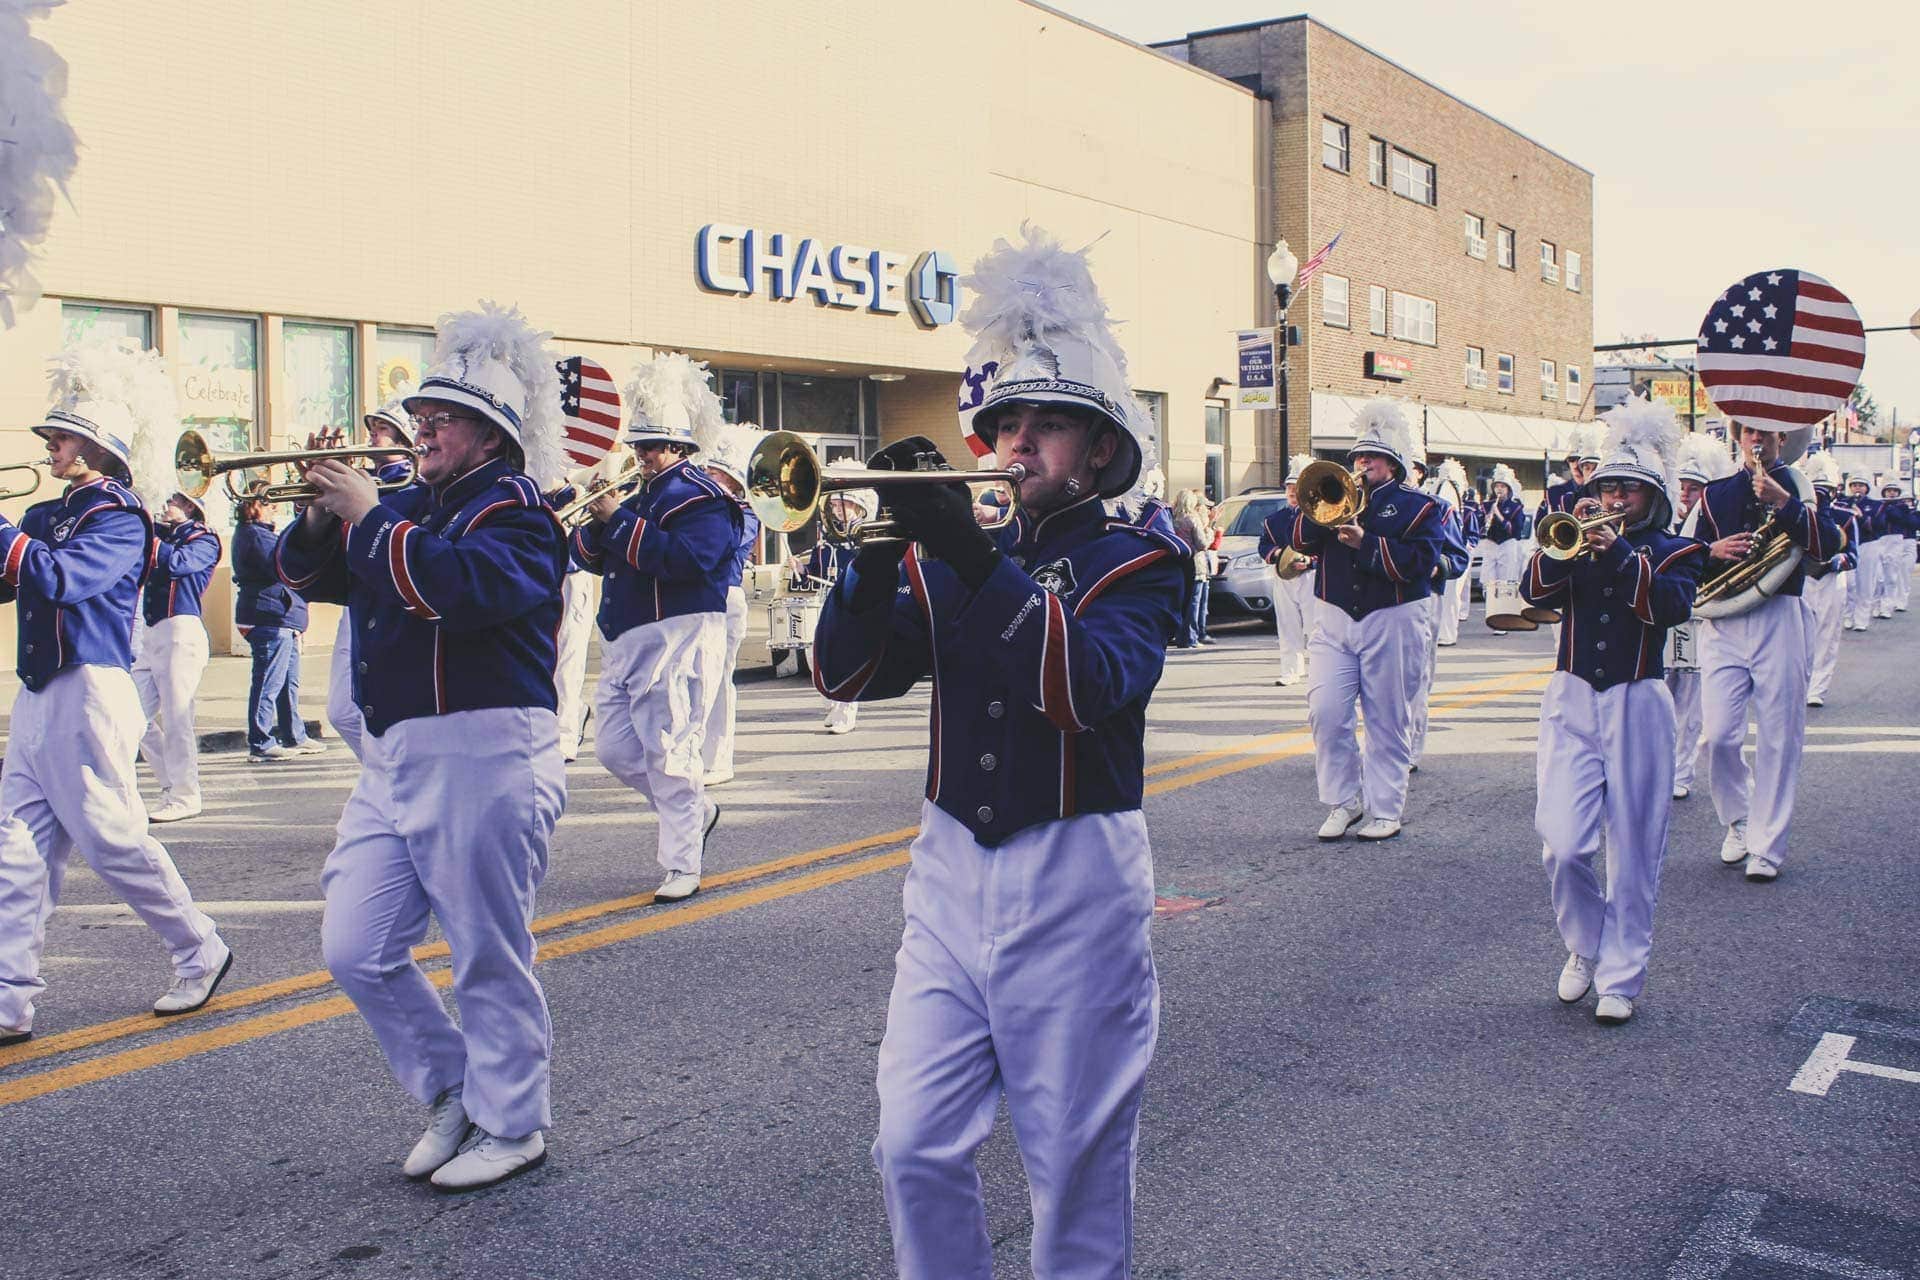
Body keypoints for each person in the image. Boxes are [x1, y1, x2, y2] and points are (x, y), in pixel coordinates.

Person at [812, 225, 1183, 1279]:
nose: (1015, 444)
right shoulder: (963, 554)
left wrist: (967, 550)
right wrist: (874, 558)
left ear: (1101, 449)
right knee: (912, 1142)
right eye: (1003, 421)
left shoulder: (1137, 563)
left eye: (1046, 427)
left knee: (1074, 1166)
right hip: (947, 872)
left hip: (1077, 876)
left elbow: (1082, 689)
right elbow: (849, 678)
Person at [275, 302, 571, 1191]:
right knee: (354, 945)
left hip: (488, 748)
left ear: (488, 435)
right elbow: (303, 573)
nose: (420, 430)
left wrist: (368, 520)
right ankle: (453, 1088)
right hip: (395, 751)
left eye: (439, 419)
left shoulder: (519, 511)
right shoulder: (407, 504)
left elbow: (454, 587)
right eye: (421, 417)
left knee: (486, 947)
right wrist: (325, 515)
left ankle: (515, 1120)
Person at [0, 338, 232, 1046]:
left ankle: (200, 949)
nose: (50, 446)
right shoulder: (47, 515)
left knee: (113, 842)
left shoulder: (119, 516)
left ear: (98, 447)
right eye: (51, 437)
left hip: (93, 690)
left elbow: (63, 580)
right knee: (13, 850)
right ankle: (9, 999)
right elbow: (15, 577)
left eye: (62, 436)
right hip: (38, 694)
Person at [1521, 400, 1705, 1025]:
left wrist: (1622, 554)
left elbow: (1671, 609)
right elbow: (1532, 592)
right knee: (1563, 843)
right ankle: (1586, 944)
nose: (1616, 497)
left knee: (1634, 844)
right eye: (1607, 487)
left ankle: (1622, 976)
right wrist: (1567, 544)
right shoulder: (1571, 538)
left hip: (1638, 700)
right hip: (1571, 694)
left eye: (1628, 489)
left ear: (1653, 498)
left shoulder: (1676, 551)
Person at [572, 352, 739, 903]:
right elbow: (593, 558)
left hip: (679, 634)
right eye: (639, 445)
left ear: (683, 448)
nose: (643, 455)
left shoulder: (703, 497)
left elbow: (685, 561)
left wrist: (616, 519)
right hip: (626, 638)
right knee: (615, 751)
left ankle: (682, 862)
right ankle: (694, 809)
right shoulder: (637, 493)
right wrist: (594, 521)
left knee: (670, 750)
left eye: (655, 446)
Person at [1261, 400, 1444, 841]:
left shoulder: (1419, 507)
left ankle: (1386, 808)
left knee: (1387, 718)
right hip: (1334, 616)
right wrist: (1321, 512)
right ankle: (1344, 801)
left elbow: (1423, 562)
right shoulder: (1332, 495)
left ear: (1394, 464)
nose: (1362, 463)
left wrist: (1366, 542)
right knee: (1326, 712)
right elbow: (1298, 542)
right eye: (1359, 456)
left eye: (1373, 457)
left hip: (1394, 617)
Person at [1685, 418, 1841, 882]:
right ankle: (1739, 818)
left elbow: (1828, 544)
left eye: (1767, 434)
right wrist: (1711, 551)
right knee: (1718, 734)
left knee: (1779, 734)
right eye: (1750, 432)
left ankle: (1768, 847)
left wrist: (1784, 503)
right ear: (1738, 436)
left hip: (1781, 615)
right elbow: (1683, 551)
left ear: (1781, 440)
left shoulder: (1799, 484)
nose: (1758, 440)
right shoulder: (1714, 494)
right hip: (1726, 620)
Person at [326, 400, 420, 760]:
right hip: (356, 599)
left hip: (388, 603)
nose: (371, 436)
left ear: (401, 436)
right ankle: (387, 777)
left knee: (371, 709)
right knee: (341, 710)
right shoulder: (365, 478)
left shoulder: (413, 483)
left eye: (380, 429)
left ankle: (390, 781)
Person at [133, 488, 223, 821]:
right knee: (132, 717)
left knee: (177, 718)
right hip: (152, 632)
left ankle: (187, 795)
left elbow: (178, 563)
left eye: (174, 500)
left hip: (181, 631)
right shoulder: (161, 534)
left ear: (191, 507)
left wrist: (149, 536)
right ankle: (171, 785)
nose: (166, 505)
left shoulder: (205, 539)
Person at [231, 489, 324, 762]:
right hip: (269, 616)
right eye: (268, 505)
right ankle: (260, 741)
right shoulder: (255, 535)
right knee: (268, 684)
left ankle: (293, 735)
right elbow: (283, 566)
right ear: (254, 507)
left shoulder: (260, 533)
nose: (273, 509)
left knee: (287, 683)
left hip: (282, 616)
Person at [1667, 435, 1733, 798]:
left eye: (1694, 489)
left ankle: (1681, 773)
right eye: (1683, 487)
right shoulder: (1664, 518)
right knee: (1659, 696)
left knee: (1690, 702)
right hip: (1667, 616)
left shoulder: (1713, 523)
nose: (1686, 495)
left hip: (1699, 616)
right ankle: (1659, 768)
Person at [700, 422, 764, 784]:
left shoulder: (748, 513)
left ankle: (720, 758)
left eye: (717, 474)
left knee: (718, 678)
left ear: (736, 483)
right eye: (709, 471)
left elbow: (729, 546)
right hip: (696, 598)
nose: (709, 477)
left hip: (727, 597)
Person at [793, 469, 873, 736]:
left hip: (855, 600)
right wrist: (802, 571)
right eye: (835, 505)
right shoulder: (827, 537)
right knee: (819, 653)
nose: (837, 510)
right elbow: (816, 573)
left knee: (847, 656)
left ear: (857, 507)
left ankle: (846, 711)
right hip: (829, 600)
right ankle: (835, 704)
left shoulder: (866, 536)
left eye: (843, 504)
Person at [1408, 465, 1470, 771]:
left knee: (1417, 677)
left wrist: (1436, 567)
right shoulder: (1361, 506)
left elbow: (1458, 557)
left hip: (1421, 598)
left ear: (1418, 472)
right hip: (1374, 601)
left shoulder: (1439, 509)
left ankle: (1408, 749)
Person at [1800, 453, 1853, 709]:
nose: (1822, 495)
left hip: (1832, 579)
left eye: (1827, 490)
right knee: (1801, 635)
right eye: (1816, 490)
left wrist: (1840, 560)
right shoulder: (1802, 514)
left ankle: (1817, 688)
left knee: (1827, 635)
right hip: (1806, 579)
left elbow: (1854, 555)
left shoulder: (1845, 516)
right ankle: (1801, 683)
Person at [1268, 454, 1316, 686]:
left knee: (1314, 625)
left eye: (1296, 488)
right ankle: (1290, 670)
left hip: (1309, 575)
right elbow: (1264, 545)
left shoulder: (1318, 518)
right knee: (1287, 626)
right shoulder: (1275, 519)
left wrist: (1309, 561)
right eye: (1289, 488)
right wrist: (1277, 555)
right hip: (1283, 577)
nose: (1291, 492)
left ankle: (1319, 668)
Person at [1480, 464, 1530, 631]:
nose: (1499, 490)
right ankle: (1492, 615)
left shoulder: (1516, 507)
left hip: (1507, 544)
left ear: (1508, 489)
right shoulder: (1487, 505)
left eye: (1502, 486)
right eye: (1497, 486)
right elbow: (1479, 528)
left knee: (1505, 581)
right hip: (1490, 544)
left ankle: (1504, 619)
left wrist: (1499, 516)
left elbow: (1515, 530)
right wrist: (1487, 518)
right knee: (1490, 581)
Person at [1170, 487, 1216, 647]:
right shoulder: (1192, 519)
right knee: (1194, 603)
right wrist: (1210, 533)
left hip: (1177, 564)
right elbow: (1202, 544)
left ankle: (1179, 636)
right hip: (1195, 563)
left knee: (1181, 602)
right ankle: (1191, 637)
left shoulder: (1172, 519)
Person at [1837, 473, 1876, 632]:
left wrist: (1862, 516)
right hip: (1850, 545)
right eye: (1854, 485)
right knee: (1849, 584)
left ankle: (1861, 619)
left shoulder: (1875, 505)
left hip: (1868, 545)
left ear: (1867, 488)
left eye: (1860, 485)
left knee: (1865, 583)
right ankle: (1848, 615)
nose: (1857, 488)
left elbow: (1879, 525)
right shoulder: (1843, 503)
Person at [1874, 480, 1909, 617]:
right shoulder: (1879, 506)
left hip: (1895, 539)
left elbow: (1899, 518)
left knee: (1891, 576)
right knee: (1878, 576)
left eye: (1894, 491)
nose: (1892, 493)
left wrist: (1888, 507)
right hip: (1881, 539)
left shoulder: (1902, 507)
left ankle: (1887, 607)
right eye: (1889, 491)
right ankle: (1876, 605)